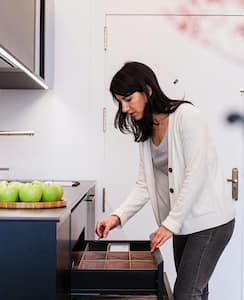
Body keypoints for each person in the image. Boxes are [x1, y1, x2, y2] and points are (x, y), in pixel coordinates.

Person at [95, 61, 235, 300]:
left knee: (186, 293)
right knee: (196, 292)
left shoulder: (186, 116)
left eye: (128, 99)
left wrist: (170, 224)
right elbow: (144, 184)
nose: (125, 108)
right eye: (120, 101)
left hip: (210, 221)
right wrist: (117, 216)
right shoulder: (147, 131)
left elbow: (196, 174)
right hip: (183, 223)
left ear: (148, 90)